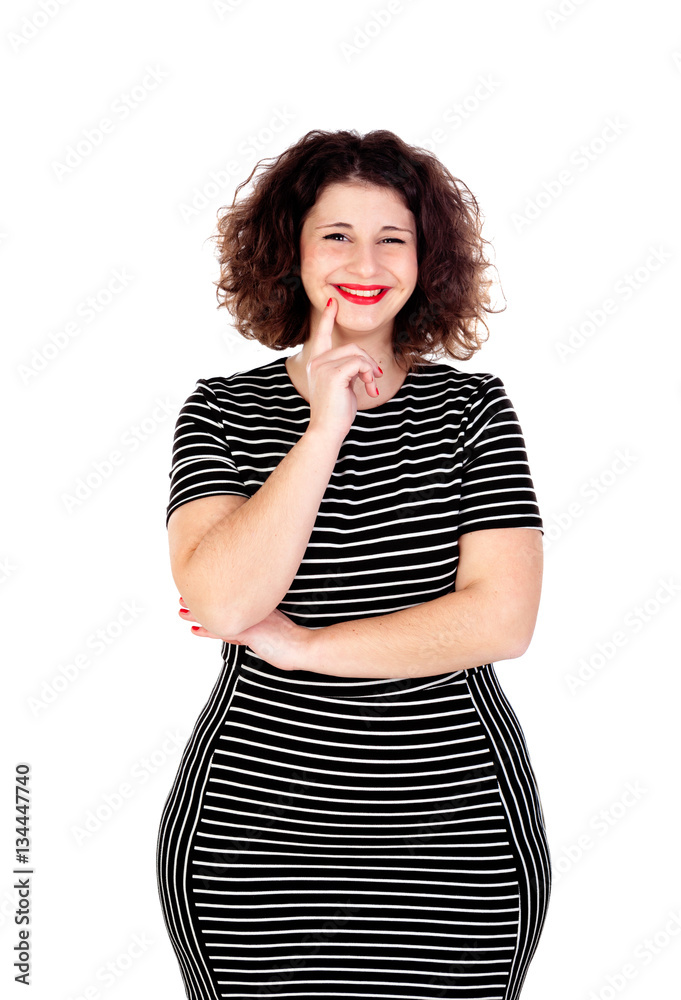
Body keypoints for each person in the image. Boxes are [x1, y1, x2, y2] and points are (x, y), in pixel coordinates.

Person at [156, 128, 551, 1000]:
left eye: (392, 237)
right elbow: (223, 600)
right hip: (254, 837)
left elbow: (500, 620)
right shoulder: (220, 410)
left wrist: (304, 647)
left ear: (425, 259)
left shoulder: (472, 407)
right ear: (289, 251)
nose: (364, 260)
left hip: (456, 836)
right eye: (336, 235)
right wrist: (326, 420)